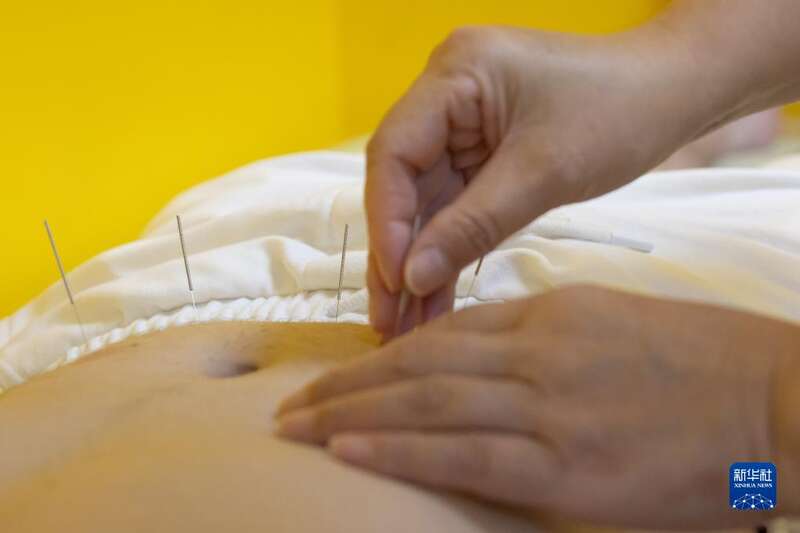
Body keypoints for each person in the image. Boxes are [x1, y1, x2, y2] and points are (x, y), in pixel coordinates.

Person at [275, 0, 800, 529]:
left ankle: (711, 133)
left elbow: (763, 493)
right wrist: (669, 71)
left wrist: (764, 415)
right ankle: (712, 129)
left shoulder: (752, 472)